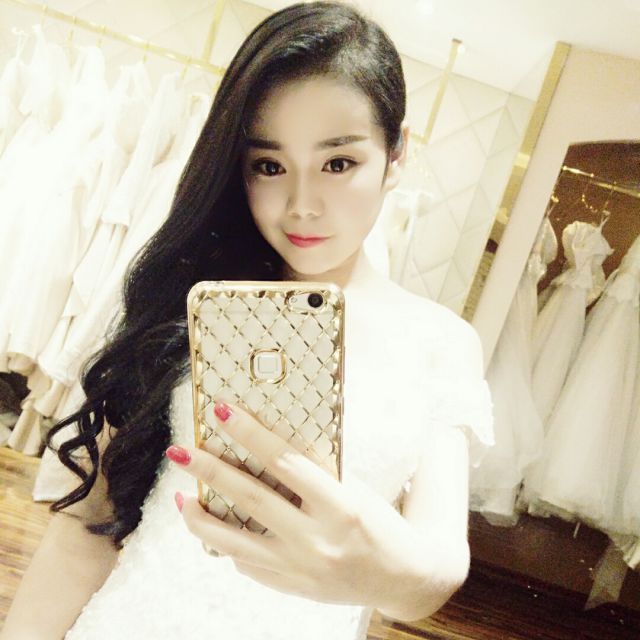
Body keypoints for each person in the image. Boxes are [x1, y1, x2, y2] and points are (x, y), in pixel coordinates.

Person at [1, 2, 493, 638]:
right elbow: (87, 530)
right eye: (269, 165)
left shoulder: (441, 343)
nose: (302, 204)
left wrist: (389, 574)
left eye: (338, 163)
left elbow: (438, 566)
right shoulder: (193, 298)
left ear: (396, 155)